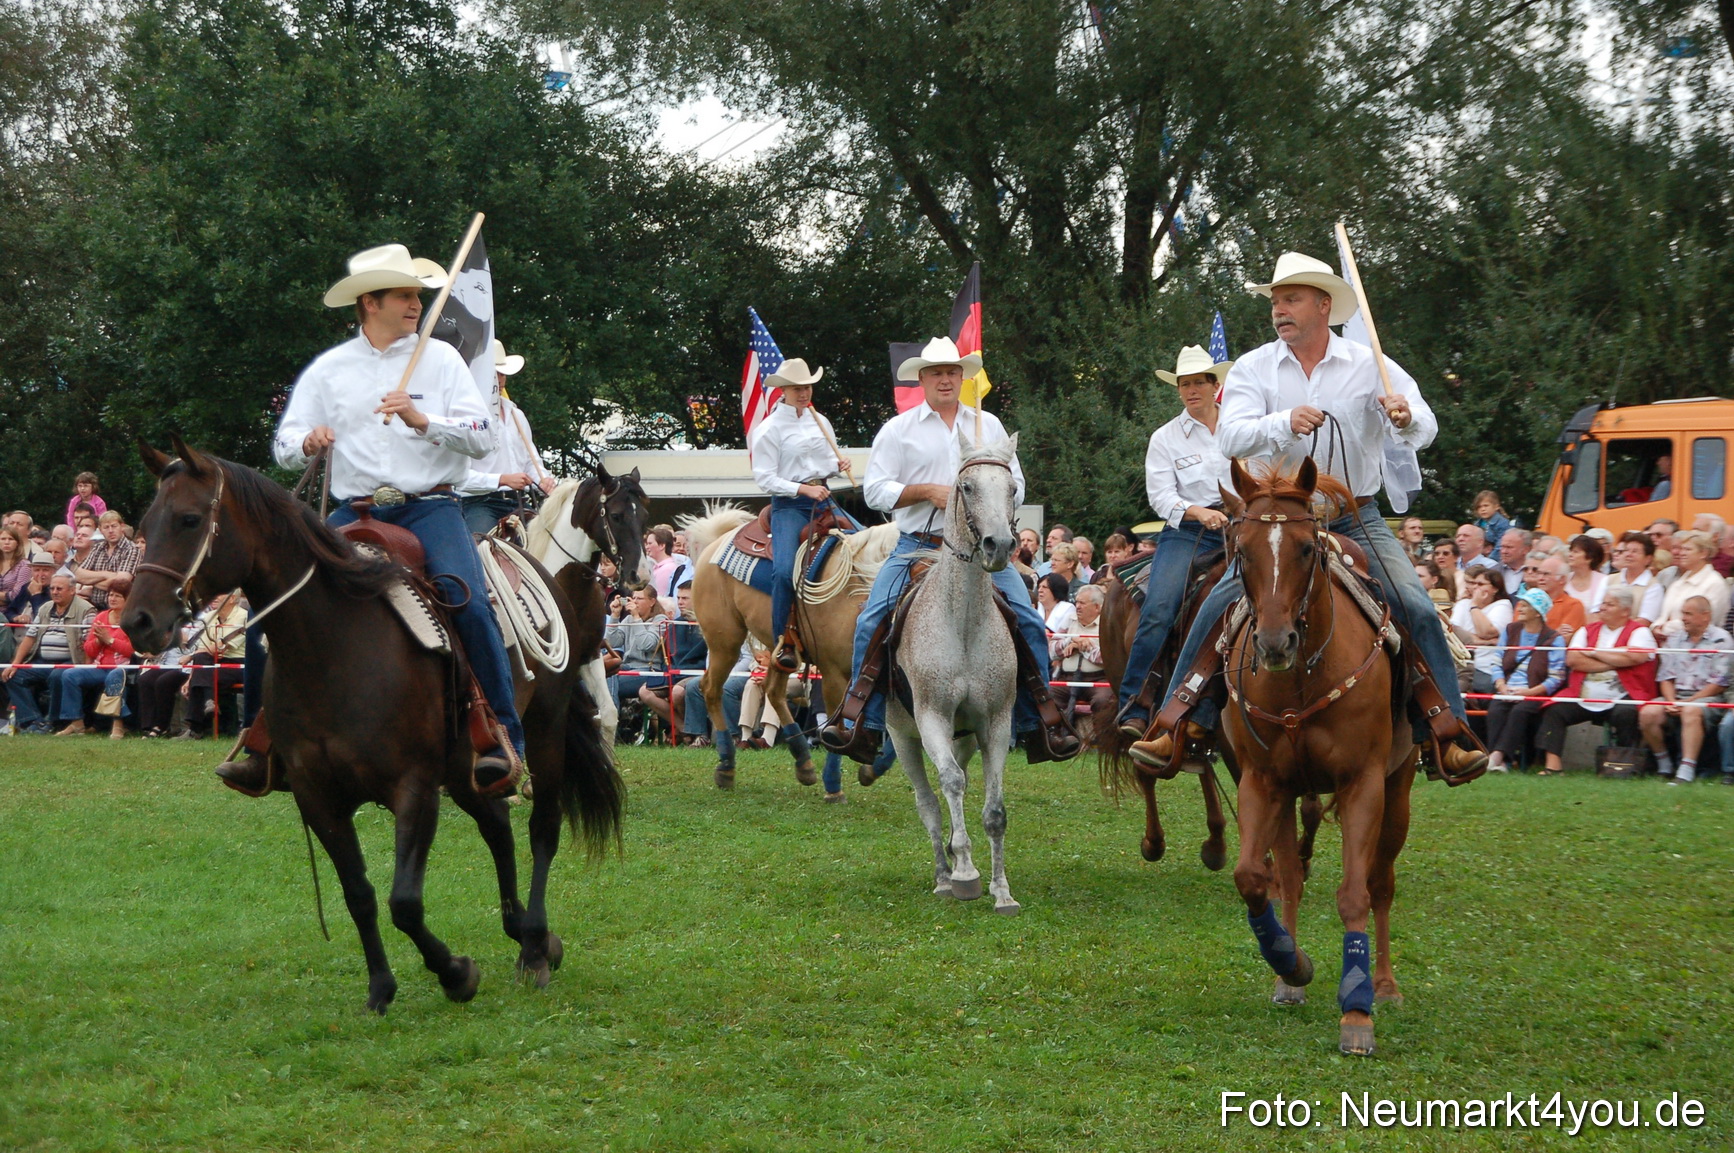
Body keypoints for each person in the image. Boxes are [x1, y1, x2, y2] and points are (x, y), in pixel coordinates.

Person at [1131, 251, 1486, 781]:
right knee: (1220, 602)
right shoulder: (1252, 367)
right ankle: (1178, 723)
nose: (1280, 309)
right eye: (1275, 301)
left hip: (1352, 514)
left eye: (1291, 299)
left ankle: (1447, 734)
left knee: (1413, 601)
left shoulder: (1371, 365)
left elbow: (1426, 425)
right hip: (1276, 519)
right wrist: (1283, 422)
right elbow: (1229, 436)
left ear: (1324, 305)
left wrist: (1406, 417)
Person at [219, 242, 520, 793]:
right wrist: (307, 441)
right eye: (404, 295)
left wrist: (422, 419)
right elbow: (285, 445)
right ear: (369, 303)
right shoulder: (329, 370)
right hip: (349, 511)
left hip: (431, 507)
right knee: (273, 613)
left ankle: (499, 737)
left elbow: (485, 438)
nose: (415, 304)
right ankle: (262, 744)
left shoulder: (444, 360)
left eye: (416, 295)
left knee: (470, 604)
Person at [819, 335, 1078, 763]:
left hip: (980, 553)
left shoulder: (987, 425)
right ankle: (860, 723)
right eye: (936, 372)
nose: (945, 379)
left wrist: (992, 505)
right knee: (871, 620)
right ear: (921, 378)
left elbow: (1017, 483)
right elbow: (876, 492)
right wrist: (928, 492)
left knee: (1029, 620)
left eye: (952, 372)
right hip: (917, 545)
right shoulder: (898, 430)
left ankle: (1041, 724)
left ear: (962, 377)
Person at [1113, 343, 1234, 735]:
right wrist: (1199, 512)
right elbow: (1161, 496)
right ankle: (1135, 703)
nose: (1191, 389)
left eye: (1199, 381)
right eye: (1184, 384)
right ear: (1178, 389)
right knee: (1160, 608)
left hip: (1242, 526)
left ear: (1215, 385)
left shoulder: (1242, 424)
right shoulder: (1165, 437)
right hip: (1188, 532)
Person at [748, 357, 852, 672]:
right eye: (797, 388)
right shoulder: (769, 428)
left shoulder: (819, 420)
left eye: (807, 386)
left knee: (862, 546)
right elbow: (764, 477)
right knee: (783, 570)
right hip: (790, 506)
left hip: (823, 498)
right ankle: (783, 640)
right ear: (783, 390)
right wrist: (802, 489)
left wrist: (837, 467)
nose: (804, 392)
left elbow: (824, 463)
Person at [1533, 587, 1657, 775]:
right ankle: (1553, 766)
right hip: (1583, 693)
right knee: (1555, 710)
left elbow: (1635, 658)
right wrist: (1616, 661)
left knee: (1626, 713)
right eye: (1603, 603)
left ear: (1625, 611)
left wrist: (1593, 652)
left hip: (1623, 694)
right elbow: (1573, 660)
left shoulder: (1640, 632)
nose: (1603, 608)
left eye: (1610, 604)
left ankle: (1624, 767)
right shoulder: (1586, 630)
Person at [458, 339, 557, 535]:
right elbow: (458, 478)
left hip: (518, 502)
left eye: (502, 373)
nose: (499, 379)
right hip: (479, 504)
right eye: (494, 373)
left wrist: (544, 481)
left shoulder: (516, 415)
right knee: (482, 548)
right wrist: (502, 480)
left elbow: (531, 461)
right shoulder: (465, 417)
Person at [1639, 596, 1729, 785]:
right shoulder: (1675, 639)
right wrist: (1671, 701)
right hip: (1677, 695)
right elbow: (1665, 677)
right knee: (1648, 713)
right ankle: (1664, 766)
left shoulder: (1722, 639)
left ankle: (1686, 770)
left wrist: (1689, 701)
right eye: (1683, 613)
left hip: (1708, 697)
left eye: (1688, 614)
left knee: (1691, 711)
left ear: (1705, 616)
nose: (1683, 618)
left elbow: (1720, 682)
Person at [2, 573, 93, 734]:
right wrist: (14, 664)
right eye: (52, 588)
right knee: (11, 674)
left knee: (58, 675)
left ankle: (52, 720)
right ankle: (34, 720)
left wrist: (85, 668)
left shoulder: (86, 610)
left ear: (72, 590)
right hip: (42, 662)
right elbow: (30, 637)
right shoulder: (45, 608)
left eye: (59, 588)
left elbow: (90, 643)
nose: (55, 592)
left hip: (71, 661)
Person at [55, 579, 134, 738]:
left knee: (115, 676)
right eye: (110, 595)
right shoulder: (101, 617)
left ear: (128, 599)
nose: (112, 599)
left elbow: (131, 651)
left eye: (117, 596)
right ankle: (76, 723)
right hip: (98, 668)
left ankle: (118, 725)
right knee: (69, 675)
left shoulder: (132, 619)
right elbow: (89, 650)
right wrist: (98, 641)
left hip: (122, 668)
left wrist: (110, 640)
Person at [639, 581, 708, 742]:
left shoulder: (708, 623)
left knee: (678, 692)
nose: (680, 602)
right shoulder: (674, 624)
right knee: (645, 691)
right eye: (678, 597)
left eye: (685, 598)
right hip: (674, 673)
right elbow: (668, 655)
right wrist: (667, 670)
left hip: (697, 673)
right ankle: (684, 729)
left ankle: (697, 732)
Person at [1051, 583, 1111, 734]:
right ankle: (1054, 737)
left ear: (1097, 607)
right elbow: (1051, 650)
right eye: (1076, 602)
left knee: (1103, 700)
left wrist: (1082, 648)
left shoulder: (1108, 625)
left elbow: (1107, 658)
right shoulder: (1069, 620)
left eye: (1082, 603)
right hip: (1067, 677)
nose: (1077, 606)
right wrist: (1071, 641)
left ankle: (1099, 739)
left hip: (1098, 680)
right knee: (1047, 695)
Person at [1652, 529, 1730, 641]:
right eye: (1681, 549)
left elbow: (1703, 621)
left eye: (1687, 549)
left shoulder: (1715, 583)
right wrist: (1655, 628)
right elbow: (1663, 615)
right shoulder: (1678, 583)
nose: (1681, 553)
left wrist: (1664, 629)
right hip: (1669, 647)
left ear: (1703, 553)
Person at [605, 586, 667, 725]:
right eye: (633, 598)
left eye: (639, 598)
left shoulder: (660, 620)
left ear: (652, 602)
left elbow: (646, 644)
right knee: (606, 674)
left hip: (649, 671)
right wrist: (614, 616)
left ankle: (611, 719)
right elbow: (613, 642)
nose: (635, 602)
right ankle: (610, 718)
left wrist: (636, 618)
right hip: (627, 667)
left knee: (610, 679)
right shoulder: (628, 620)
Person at [1450, 567, 1513, 698]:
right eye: (1473, 584)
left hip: (1486, 666)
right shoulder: (1462, 604)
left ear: (1495, 589)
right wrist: (1484, 642)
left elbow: (1487, 632)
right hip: (1460, 665)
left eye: (1480, 584)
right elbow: (1453, 633)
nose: (1475, 588)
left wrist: (1474, 606)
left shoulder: (1503, 606)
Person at [72, 511, 140, 611]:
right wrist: (106, 575)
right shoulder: (97, 548)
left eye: (114, 526)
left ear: (122, 526)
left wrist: (91, 583)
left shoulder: (132, 549)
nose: (111, 530)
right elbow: (78, 575)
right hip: (93, 607)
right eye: (106, 527)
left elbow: (120, 584)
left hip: (120, 610)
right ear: (100, 530)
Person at [1606, 531, 1665, 627]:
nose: (1629, 554)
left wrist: (1617, 630)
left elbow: (1645, 621)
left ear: (1648, 559)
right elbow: (1596, 612)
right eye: (1626, 550)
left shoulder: (1653, 587)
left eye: (1635, 551)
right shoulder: (1608, 580)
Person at [1534, 555, 1586, 637]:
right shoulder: (1526, 603)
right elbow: (1515, 635)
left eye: (1546, 574)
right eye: (1539, 573)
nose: (1540, 578)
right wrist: (1554, 633)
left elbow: (1563, 640)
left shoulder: (1573, 605)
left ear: (1562, 579)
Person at [644, 525, 692, 606]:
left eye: (650, 543)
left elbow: (659, 598)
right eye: (646, 544)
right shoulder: (659, 567)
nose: (647, 547)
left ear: (662, 546)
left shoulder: (666, 569)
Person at [1494, 528, 1532, 595]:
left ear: (1526, 549)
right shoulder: (1493, 571)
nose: (1504, 551)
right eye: (1502, 547)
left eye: (1509, 547)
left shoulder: (1536, 572)